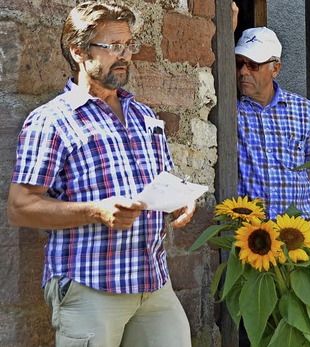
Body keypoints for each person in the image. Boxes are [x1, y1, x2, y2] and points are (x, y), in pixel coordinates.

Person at [6, 2, 196, 346]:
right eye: (112, 47)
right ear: (78, 50)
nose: (124, 56)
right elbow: (20, 207)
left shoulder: (143, 116)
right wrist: (97, 211)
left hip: (153, 282)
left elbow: (163, 182)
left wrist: (180, 202)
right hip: (91, 283)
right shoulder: (52, 120)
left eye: (128, 46)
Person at [235, 27, 310, 222]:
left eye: (253, 65)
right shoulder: (232, 112)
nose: (244, 71)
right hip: (251, 238)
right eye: (239, 64)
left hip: (298, 236)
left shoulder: (303, 110)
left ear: (275, 69)